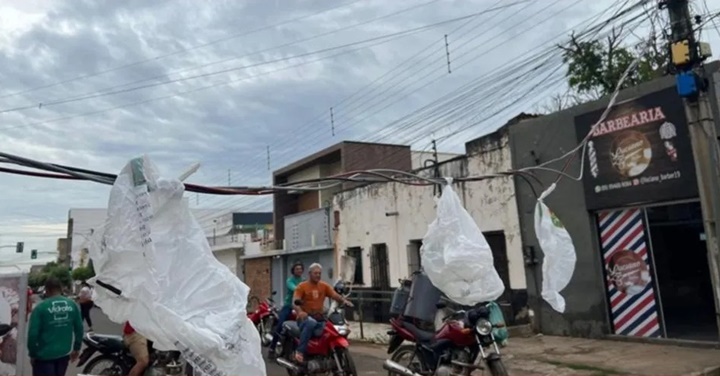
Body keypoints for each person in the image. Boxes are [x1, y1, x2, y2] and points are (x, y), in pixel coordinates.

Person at [292, 263, 353, 363]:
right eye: (315, 273)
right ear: (309, 274)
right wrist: (300, 312)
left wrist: (344, 301)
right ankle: (300, 352)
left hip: (319, 317)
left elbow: (334, 295)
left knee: (331, 329)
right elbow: (295, 301)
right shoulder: (302, 286)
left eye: (319, 273)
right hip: (305, 318)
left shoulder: (324, 286)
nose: (318, 275)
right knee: (310, 323)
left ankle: (326, 354)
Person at [26, 277, 83, 376]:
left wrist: (33, 353)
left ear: (46, 290)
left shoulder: (40, 308)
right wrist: (76, 348)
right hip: (64, 354)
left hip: (44, 356)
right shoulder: (72, 305)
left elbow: (32, 334)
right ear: (61, 289)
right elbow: (79, 328)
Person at [268, 261, 304, 359]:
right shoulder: (290, 280)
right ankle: (272, 347)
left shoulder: (303, 280)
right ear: (293, 270)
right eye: (297, 269)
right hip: (289, 306)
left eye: (300, 269)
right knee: (280, 325)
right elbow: (295, 289)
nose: (299, 270)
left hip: (300, 307)